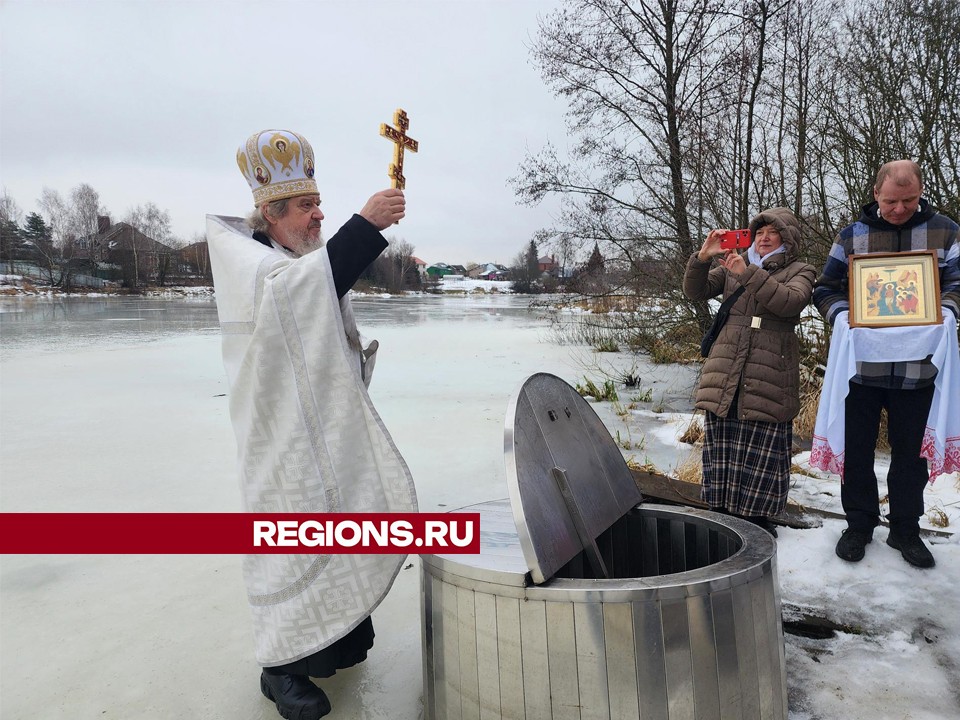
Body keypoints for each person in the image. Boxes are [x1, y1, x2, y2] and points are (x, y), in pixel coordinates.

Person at [207, 129, 418, 719]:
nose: (318, 214)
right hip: (279, 438)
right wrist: (365, 225)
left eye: (318, 202)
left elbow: (320, 296)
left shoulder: (292, 257)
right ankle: (278, 668)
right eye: (306, 206)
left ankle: (336, 642)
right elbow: (297, 298)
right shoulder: (253, 264)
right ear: (271, 213)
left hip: (319, 425)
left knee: (336, 523)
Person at [812, 159, 960, 569]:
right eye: (892, 201)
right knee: (857, 449)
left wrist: (947, 310)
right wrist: (842, 315)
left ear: (921, 191)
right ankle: (859, 524)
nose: (899, 209)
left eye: (909, 200)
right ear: (876, 193)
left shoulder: (946, 231)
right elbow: (824, 287)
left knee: (911, 454)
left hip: (918, 369)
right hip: (861, 371)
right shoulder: (852, 236)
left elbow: (957, 284)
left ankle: (905, 530)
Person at [683, 207, 816, 536]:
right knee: (723, 440)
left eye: (773, 232)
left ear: (788, 238)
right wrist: (702, 258)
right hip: (727, 363)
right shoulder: (733, 265)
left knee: (763, 445)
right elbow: (695, 292)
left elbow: (789, 302)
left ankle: (757, 519)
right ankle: (720, 509)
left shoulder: (801, 270)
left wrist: (747, 273)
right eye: (759, 233)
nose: (765, 238)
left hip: (770, 365)